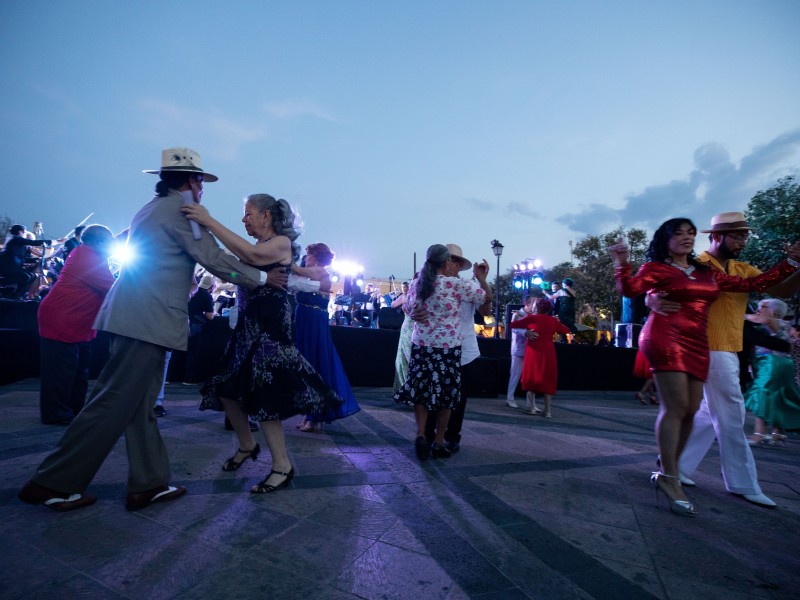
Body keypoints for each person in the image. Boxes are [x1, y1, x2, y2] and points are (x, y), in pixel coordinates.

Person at [18, 147, 272, 512]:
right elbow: (214, 259)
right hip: (148, 322)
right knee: (110, 402)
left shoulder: (151, 208)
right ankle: (51, 482)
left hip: (134, 317)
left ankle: (148, 484)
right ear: (192, 181)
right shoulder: (183, 210)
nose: (202, 189)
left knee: (139, 407)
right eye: (201, 181)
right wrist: (263, 279)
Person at [611, 216, 799, 516]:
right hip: (680, 340)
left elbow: (764, 286)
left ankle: (675, 466)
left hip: (707, 344)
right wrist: (641, 287)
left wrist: (791, 262)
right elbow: (638, 287)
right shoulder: (676, 265)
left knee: (697, 412)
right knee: (712, 411)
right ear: (717, 236)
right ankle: (713, 480)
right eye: (736, 236)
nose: (742, 241)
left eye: (690, 233)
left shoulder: (719, 271)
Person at [182, 193, 342, 494]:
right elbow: (235, 271)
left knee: (265, 391)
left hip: (269, 324)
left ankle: (282, 465)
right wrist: (230, 271)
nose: (244, 220)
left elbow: (251, 259)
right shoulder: (257, 247)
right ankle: (247, 445)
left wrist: (209, 221)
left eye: (248, 213)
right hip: (248, 324)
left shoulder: (279, 243)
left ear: (266, 215)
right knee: (226, 388)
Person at [393, 244, 487, 460]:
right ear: (446, 262)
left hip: (422, 345)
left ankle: (421, 434)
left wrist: (414, 312)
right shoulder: (456, 285)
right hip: (448, 348)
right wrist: (482, 279)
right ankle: (438, 441)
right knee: (447, 394)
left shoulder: (419, 283)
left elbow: (406, 306)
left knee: (421, 391)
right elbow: (485, 298)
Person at [37, 225, 116, 425]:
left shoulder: (87, 253)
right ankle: (55, 414)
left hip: (74, 322)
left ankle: (72, 409)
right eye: (110, 242)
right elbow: (115, 289)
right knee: (61, 373)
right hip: (62, 320)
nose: (113, 246)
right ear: (98, 243)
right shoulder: (88, 258)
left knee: (77, 372)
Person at [421, 244, 493, 453]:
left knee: (458, 398)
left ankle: (451, 436)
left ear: (460, 265)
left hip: (464, 349)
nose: (451, 263)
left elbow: (486, 309)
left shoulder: (467, 286)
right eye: (449, 259)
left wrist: (482, 279)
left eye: (455, 260)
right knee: (431, 394)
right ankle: (427, 435)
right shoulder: (429, 283)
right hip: (436, 347)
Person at [294, 243, 361, 432]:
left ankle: (314, 417)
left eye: (309, 255)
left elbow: (295, 270)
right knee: (306, 365)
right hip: (304, 319)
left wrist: (282, 256)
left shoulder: (320, 271)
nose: (306, 258)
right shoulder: (310, 272)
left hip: (313, 321)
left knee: (314, 364)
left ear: (317, 257)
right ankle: (309, 414)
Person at [743, 298, 800, 446]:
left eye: (763, 306)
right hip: (783, 363)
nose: (758, 308)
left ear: (773, 310)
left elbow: (760, 319)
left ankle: (758, 434)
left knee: (762, 394)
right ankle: (777, 433)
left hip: (772, 363)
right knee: (778, 397)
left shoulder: (772, 320)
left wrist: (739, 314)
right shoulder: (785, 324)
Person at [510, 298, 571, 417]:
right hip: (548, 351)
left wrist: (515, 316)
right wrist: (558, 322)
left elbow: (513, 325)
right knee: (548, 378)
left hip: (533, 351)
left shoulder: (532, 318)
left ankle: (531, 408)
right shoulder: (552, 320)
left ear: (537, 308)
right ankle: (547, 411)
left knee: (530, 376)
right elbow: (566, 330)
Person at [0, 224, 60, 299]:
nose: (26, 235)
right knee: (25, 276)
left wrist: (37, 259)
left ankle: (16, 295)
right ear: (20, 232)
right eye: (25, 232)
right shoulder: (15, 239)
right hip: (6, 266)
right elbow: (34, 243)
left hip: (13, 267)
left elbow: (24, 258)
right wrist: (56, 241)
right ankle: (3, 283)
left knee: (30, 276)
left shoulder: (20, 245)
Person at [184, 273, 216, 384]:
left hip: (183, 321)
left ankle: (171, 377)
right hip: (196, 325)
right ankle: (189, 378)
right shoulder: (206, 296)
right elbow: (210, 316)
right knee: (193, 351)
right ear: (211, 287)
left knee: (178, 350)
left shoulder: (192, 290)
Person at [506, 295, 536, 409]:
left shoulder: (531, 316)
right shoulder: (517, 314)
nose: (535, 307)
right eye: (533, 304)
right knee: (515, 374)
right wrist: (526, 333)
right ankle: (510, 398)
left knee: (530, 377)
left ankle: (531, 403)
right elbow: (513, 329)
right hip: (518, 348)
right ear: (527, 304)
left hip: (530, 348)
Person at [392, 277, 416, 393]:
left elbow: (392, 305)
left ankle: (406, 384)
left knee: (406, 354)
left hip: (408, 327)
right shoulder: (420, 296)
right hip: (416, 328)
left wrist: (395, 298)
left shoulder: (405, 297)